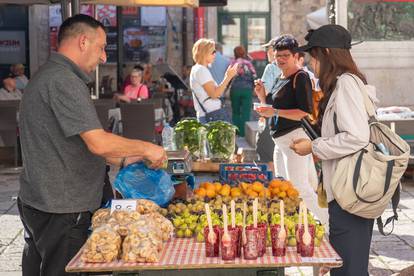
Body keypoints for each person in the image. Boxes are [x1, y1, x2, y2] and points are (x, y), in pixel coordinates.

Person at [18, 14, 167, 276]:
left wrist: (130, 157)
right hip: (63, 208)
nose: (103, 58)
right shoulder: (62, 81)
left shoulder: (50, 76)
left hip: (43, 201)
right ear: (83, 41)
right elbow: (97, 142)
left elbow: (77, 145)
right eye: (101, 48)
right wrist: (146, 147)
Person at [291, 24, 379, 276]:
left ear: (327, 53)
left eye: (314, 57)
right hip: (345, 191)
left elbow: (356, 137)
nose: (312, 65)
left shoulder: (347, 85)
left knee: (349, 269)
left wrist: (314, 145)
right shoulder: (344, 84)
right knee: (346, 266)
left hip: (349, 193)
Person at [254, 34, 328, 226]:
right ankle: (300, 224)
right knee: (285, 187)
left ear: (296, 56)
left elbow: (303, 112)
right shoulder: (280, 77)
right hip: (280, 141)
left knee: (300, 188)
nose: (280, 59)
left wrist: (274, 110)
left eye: (285, 55)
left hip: (295, 139)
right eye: (278, 55)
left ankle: (329, 227)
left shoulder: (300, 76)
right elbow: (272, 109)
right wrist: (262, 98)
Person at [190, 38, 238, 123]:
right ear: (204, 53)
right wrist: (228, 77)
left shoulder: (199, 69)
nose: (215, 54)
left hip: (209, 115)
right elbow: (214, 94)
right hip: (210, 117)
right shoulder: (201, 70)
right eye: (212, 52)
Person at [256, 38, 281, 164]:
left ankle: (271, 181)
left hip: (270, 113)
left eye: (269, 49)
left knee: (265, 150)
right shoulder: (296, 68)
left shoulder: (270, 68)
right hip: (285, 115)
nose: (267, 53)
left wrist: (259, 88)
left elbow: (265, 92)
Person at [229, 45, 257, 136]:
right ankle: (244, 133)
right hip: (247, 89)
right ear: (244, 53)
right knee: (246, 111)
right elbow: (254, 75)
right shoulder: (248, 63)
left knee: (235, 111)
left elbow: (228, 76)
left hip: (235, 89)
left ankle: (236, 131)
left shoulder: (232, 63)